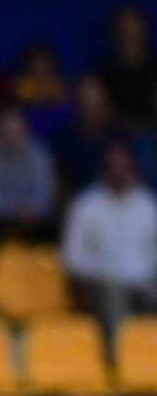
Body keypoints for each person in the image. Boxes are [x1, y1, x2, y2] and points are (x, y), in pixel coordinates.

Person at [61, 139, 157, 340]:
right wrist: (90, 281)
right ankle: (120, 358)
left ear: (132, 167)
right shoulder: (86, 205)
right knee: (114, 293)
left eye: (123, 165)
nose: (118, 171)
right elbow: (73, 256)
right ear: (104, 168)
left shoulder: (147, 205)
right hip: (102, 283)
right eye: (113, 166)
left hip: (145, 283)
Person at [0, 106, 58, 244]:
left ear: (25, 130)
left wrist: (32, 210)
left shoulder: (40, 154)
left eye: (16, 131)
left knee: (54, 223)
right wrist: (13, 211)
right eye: (5, 132)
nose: (11, 137)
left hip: (35, 220)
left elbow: (45, 194)